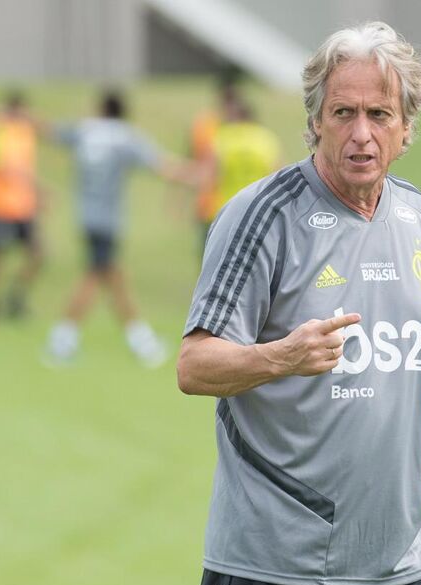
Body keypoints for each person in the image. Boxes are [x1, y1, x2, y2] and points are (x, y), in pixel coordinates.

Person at [175, 21, 421, 585]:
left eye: (379, 115)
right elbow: (193, 364)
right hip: (272, 569)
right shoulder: (261, 215)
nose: (360, 133)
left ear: (406, 128)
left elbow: (410, 372)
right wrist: (282, 355)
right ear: (314, 120)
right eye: (343, 113)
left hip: (394, 575)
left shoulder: (415, 216)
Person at [44, 90, 195, 367]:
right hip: (108, 219)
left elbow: (51, 132)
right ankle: (62, 340)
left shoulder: (86, 130)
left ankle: (142, 342)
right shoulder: (125, 137)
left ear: (101, 107)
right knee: (95, 276)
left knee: (114, 278)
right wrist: (196, 175)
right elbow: (161, 165)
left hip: (87, 216)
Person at [0, 89, 43, 321]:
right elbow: (6, 165)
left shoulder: (24, 131)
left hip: (23, 206)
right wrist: (39, 188)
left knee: (38, 253)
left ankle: (15, 298)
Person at [196, 93, 282, 254]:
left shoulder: (221, 139)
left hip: (224, 213)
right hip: (257, 215)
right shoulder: (266, 139)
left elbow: (208, 178)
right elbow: (279, 179)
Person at [188, 66, 242, 243]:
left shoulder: (203, 124)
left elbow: (194, 160)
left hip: (212, 204)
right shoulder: (244, 129)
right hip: (223, 204)